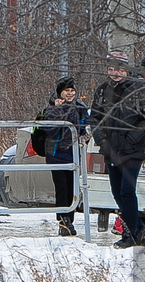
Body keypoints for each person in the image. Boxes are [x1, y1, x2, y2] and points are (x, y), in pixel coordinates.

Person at [90, 51, 145, 249]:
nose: (115, 73)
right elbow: (94, 118)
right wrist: (101, 140)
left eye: (119, 69)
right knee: (116, 192)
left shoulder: (139, 89)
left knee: (127, 191)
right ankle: (138, 228)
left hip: (133, 149)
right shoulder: (103, 90)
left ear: (127, 69)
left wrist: (134, 136)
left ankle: (130, 234)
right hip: (110, 149)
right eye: (111, 69)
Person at [42, 76, 89, 236]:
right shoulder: (51, 108)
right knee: (61, 189)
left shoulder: (80, 107)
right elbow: (51, 130)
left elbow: (84, 125)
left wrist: (85, 133)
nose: (69, 94)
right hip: (56, 154)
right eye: (66, 91)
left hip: (73, 154)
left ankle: (70, 220)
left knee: (72, 188)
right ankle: (63, 221)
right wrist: (58, 110)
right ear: (60, 92)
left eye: (72, 90)